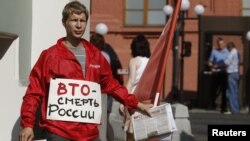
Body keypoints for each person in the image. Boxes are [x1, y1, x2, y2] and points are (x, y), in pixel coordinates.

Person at [19, 1, 153, 141]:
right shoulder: (50, 56)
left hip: (89, 134)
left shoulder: (95, 55)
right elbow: (33, 92)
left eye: (82, 20)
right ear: (64, 22)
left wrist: (138, 105)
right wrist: (27, 124)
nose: (78, 25)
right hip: (59, 131)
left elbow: (113, 86)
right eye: (74, 20)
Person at [120, 34, 151, 141]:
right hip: (147, 99)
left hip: (133, 98)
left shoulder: (134, 61)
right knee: (145, 132)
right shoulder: (151, 62)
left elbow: (131, 82)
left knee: (131, 133)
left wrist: (122, 100)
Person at [208, 37, 230, 113]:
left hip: (224, 73)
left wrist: (218, 66)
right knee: (213, 90)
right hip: (216, 73)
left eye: (221, 43)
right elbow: (210, 61)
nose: (220, 45)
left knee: (224, 91)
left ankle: (223, 107)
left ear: (224, 44)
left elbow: (228, 63)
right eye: (218, 44)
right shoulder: (214, 52)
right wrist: (211, 66)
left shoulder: (227, 52)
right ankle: (212, 105)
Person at [224, 42, 240, 114]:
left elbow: (226, 62)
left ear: (229, 47)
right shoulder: (237, 52)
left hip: (231, 73)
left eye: (227, 48)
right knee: (234, 92)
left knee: (231, 92)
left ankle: (234, 109)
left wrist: (217, 66)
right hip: (236, 73)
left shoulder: (232, 53)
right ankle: (235, 108)